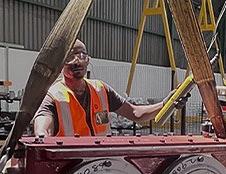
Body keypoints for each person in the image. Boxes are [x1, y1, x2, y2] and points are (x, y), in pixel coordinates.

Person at [33, 40, 179, 137]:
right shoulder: (53, 97)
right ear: (60, 63)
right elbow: (43, 128)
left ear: (88, 60)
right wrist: (41, 134)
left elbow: (135, 113)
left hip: (103, 166)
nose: (77, 61)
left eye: (81, 55)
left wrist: (167, 104)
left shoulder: (101, 90)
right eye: (69, 57)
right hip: (70, 171)